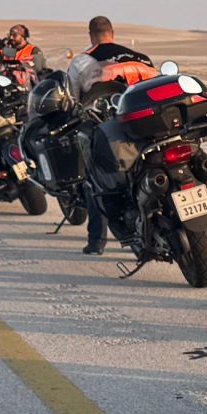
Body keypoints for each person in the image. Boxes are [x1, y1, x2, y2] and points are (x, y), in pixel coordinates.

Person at [65, 18, 157, 255]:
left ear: (90, 35)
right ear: (112, 32)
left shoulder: (82, 62)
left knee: (95, 180)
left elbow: (73, 100)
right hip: (148, 125)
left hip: (107, 128)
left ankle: (97, 241)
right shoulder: (140, 57)